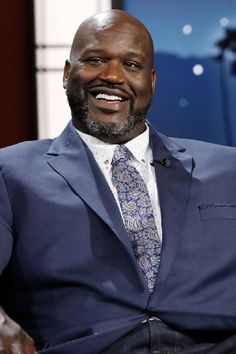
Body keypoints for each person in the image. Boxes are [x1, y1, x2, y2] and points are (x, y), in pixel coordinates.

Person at [1, 9, 236, 354]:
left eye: (132, 65)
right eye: (96, 60)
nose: (113, 76)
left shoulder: (228, 168)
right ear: (68, 74)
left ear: (151, 82)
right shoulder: (11, 172)